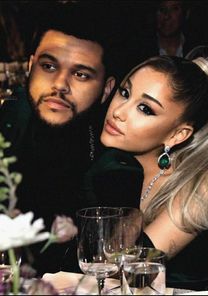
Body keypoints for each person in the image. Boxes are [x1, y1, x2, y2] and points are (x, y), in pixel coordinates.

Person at [81, 50, 208, 290]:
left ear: (177, 134)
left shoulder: (206, 185)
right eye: (124, 93)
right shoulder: (106, 162)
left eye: (145, 109)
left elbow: (131, 272)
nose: (118, 112)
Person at [0, 2, 120, 276]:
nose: (60, 84)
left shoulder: (110, 152)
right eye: (49, 66)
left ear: (106, 89)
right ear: (30, 67)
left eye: (81, 74)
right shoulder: (10, 129)